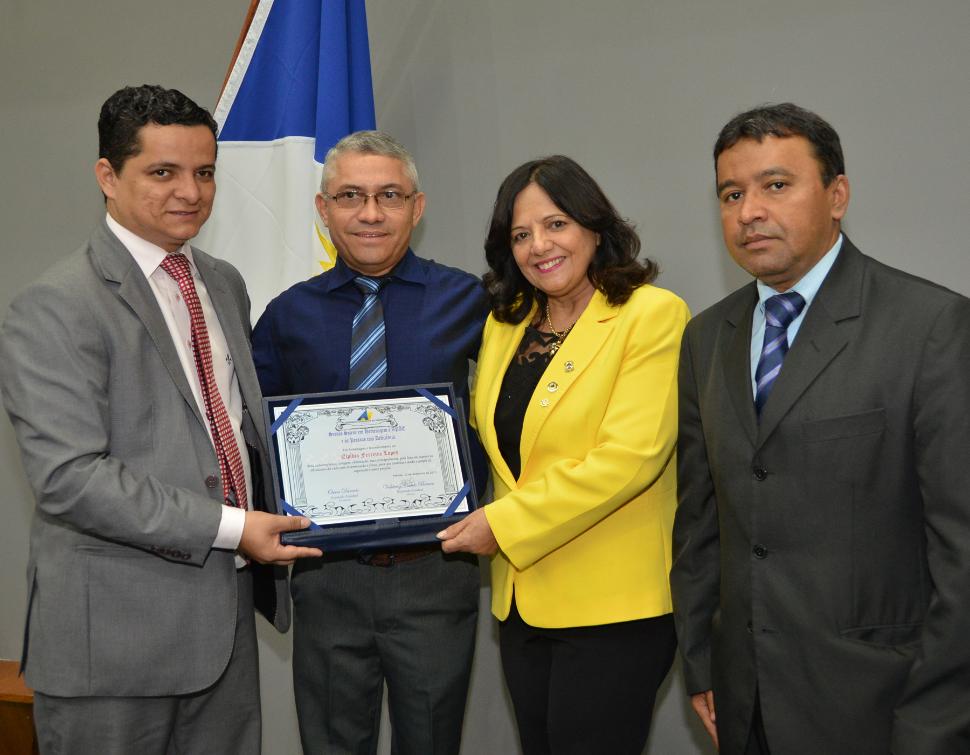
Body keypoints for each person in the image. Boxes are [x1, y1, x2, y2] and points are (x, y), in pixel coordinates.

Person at [0, 85, 320, 754]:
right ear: (107, 177)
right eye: (163, 172)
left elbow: (232, 427)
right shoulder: (55, 304)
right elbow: (70, 478)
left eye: (205, 172)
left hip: (225, 622)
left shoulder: (221, 280)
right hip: (114, 643)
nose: (191, 191)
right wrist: (235, 526)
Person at [671, 103, 970, 755]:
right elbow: (699, 519)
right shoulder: (705, 338)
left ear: (837, 196)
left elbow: (961, 551)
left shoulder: (931, 327)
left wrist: (937, 722)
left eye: (776, 185)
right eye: (731, 192)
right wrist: (701, 662)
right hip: (742, 703)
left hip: (881, 708)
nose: (750, 210)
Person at [438, 155, 689, 755]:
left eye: (556, 225)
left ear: (594, 227)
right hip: (522, 604)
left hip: (615, 607)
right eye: (521, 235)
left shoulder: (651, 315)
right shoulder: (507, 324)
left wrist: (501, 524)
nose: (539, 246)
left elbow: (629, 458)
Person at [252, 130, 487, 755]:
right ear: (324, 210)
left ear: (418, 206)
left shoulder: (474, 301)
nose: (371, 212)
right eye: (351, 196)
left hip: (435, 573)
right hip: (328, 579)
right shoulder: (285, 315)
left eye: (389, 195)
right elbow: (258, 442)